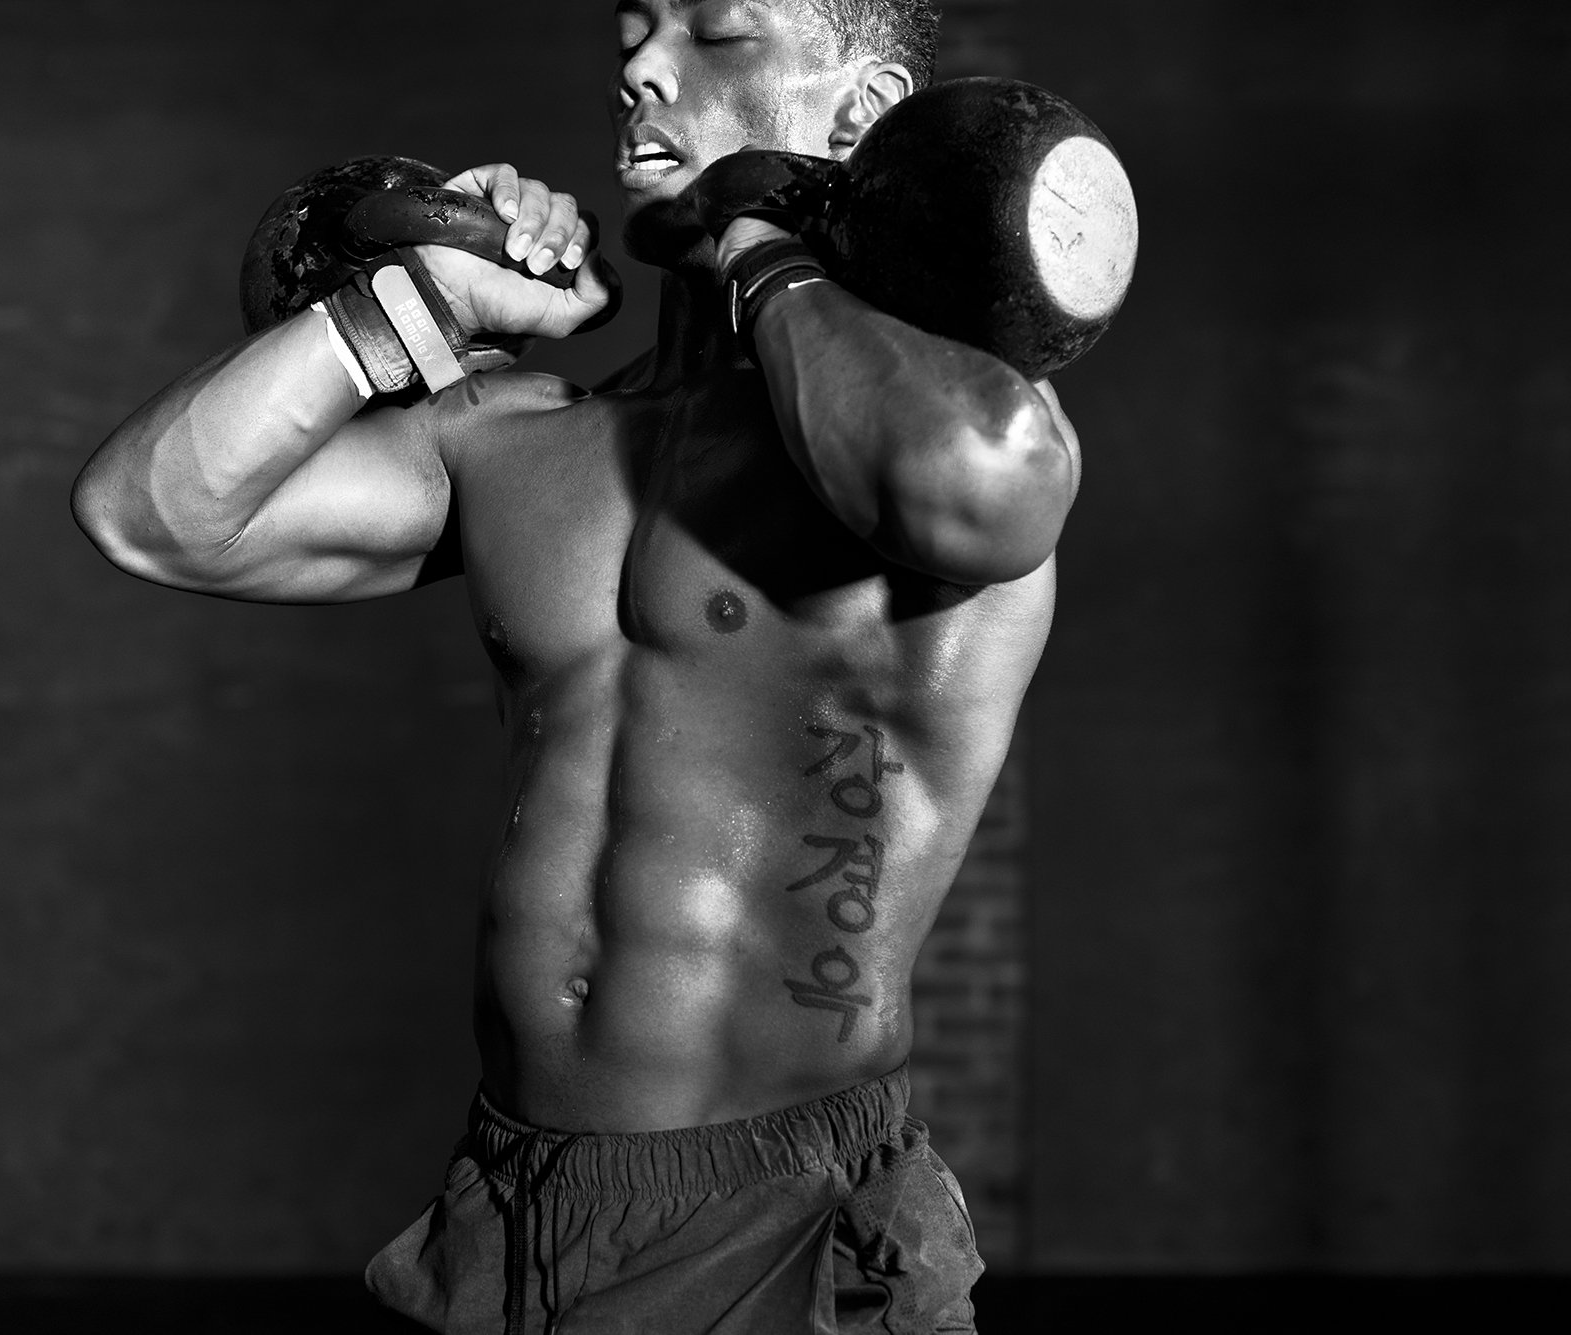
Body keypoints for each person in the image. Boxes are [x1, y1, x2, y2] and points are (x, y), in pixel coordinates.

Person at [73, 1, 1078, 1329]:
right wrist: (422, 301)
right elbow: (151, 516)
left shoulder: (936, 422)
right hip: (509, 1199)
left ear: (858, 104)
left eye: (719, 36)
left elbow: (976, 494)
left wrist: (763, 237)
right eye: (637, 30)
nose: (643, 67)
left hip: (776, 1208)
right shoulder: (528, 433)